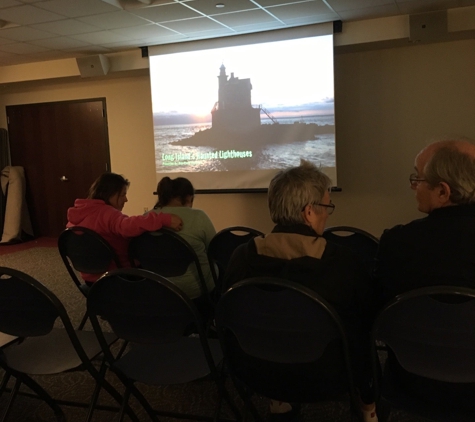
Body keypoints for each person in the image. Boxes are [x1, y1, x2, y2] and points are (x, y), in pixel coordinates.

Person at [224, 160, 377, 422]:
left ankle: (279, 404)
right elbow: (370, 316)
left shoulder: (241, 257)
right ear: (309, 212)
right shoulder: (343, 262)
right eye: (327, 206)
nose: (328, 213)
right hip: (329, 376)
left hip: (255, 371)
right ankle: (369, 411)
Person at [374, 137, 475, 410]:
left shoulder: (396, 243)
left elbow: (380, 313)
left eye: (417, 179)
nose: (413, 186)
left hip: (412, 379)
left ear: (443, 192)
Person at [67, 172, 183, 282]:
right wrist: (163, 219)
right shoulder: (107, 214)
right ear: (110, 194)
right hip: (118, 276)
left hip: (90, 279)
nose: (126, 199)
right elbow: (128, 226)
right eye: (123, 195)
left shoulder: (78, 213)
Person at [149, 176, 216, 302]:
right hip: (196, 290)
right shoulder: (199, 217)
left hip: (156, 287)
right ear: (189, 197)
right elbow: (216, 250)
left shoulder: (146, 218)